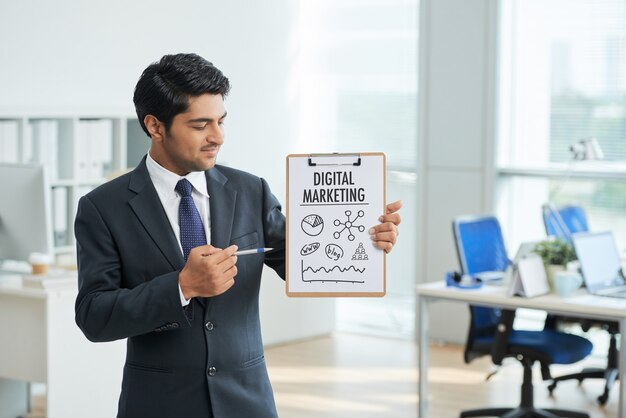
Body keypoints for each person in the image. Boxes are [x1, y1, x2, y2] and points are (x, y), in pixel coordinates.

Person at [74, 53, 401, 418]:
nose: (217, 137)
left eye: (221, 121)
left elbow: (305, 264)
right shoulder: (103, 207)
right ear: (155, 126)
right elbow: (94, 315)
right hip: (159, 403)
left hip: (247, 401)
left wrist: (364, 241)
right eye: (200, 125)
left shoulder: (251, 191)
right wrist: (181, 287)